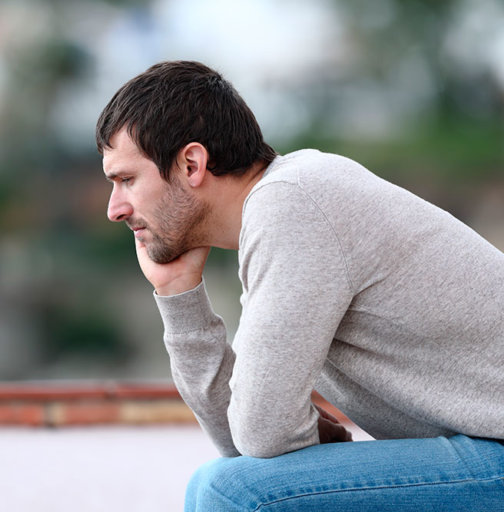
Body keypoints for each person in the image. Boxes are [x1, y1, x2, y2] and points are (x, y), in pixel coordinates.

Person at [95, 60, 504, 511]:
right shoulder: (284, 207)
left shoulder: (293, 204)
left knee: (228, 492)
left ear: (192, 163)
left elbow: (258, 433)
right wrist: (178, 292)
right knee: (225, 485)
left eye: (126, 180)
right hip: (484, 449)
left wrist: (292, 430)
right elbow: (246, 441)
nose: (115, 209)